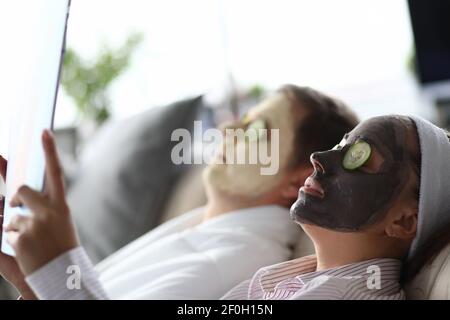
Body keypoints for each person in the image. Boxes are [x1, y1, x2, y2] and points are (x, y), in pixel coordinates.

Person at [0, 85, 359, 299]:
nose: (230, 127)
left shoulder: (235, 264)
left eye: (257, 130)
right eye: (241, 118)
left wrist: (58, 268)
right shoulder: (206, 232)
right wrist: (33, 285)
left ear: (296, 183)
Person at [222, 115, 450, 300]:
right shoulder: (285, 278)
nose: (317, 157)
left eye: (357, 158)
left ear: (403, 221)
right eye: (340, 146)